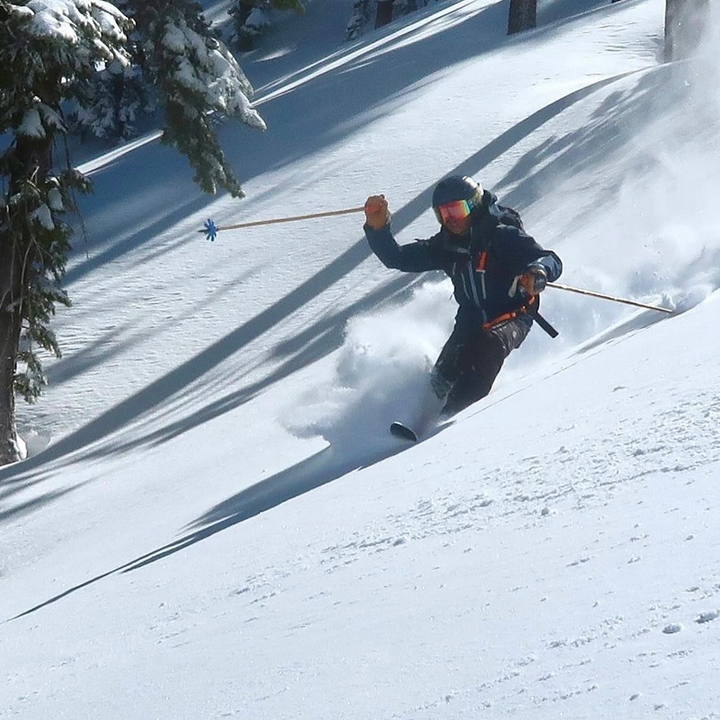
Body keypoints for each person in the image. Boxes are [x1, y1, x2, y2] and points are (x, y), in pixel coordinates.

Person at [363, 175, 562, 426]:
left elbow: (550, 259)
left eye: (457, 210)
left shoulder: (501, 236)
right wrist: (378, 228)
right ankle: (417, 421)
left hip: (513, 312)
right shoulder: (446, 246)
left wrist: (538, 272)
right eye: (443, 214)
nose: (451, 220)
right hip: (469, 320)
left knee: (489, 346)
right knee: (443, 374)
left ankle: (450, 419)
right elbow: (398, 258)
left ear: (475, 204)